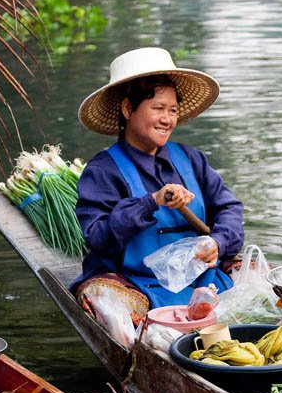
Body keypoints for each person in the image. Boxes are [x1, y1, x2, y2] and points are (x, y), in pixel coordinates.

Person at [72, 47, 244, 317]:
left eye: (173, 110)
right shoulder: (103, 170)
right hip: (136, 286)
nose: (167, 119)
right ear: (129, 109)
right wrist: (151, 202)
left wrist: (218, 243)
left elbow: (229, 208)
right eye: (158, 108)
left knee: (264, 280)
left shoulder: (190, 159)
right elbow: (99, 238)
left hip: (202, 282)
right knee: (100, 298)